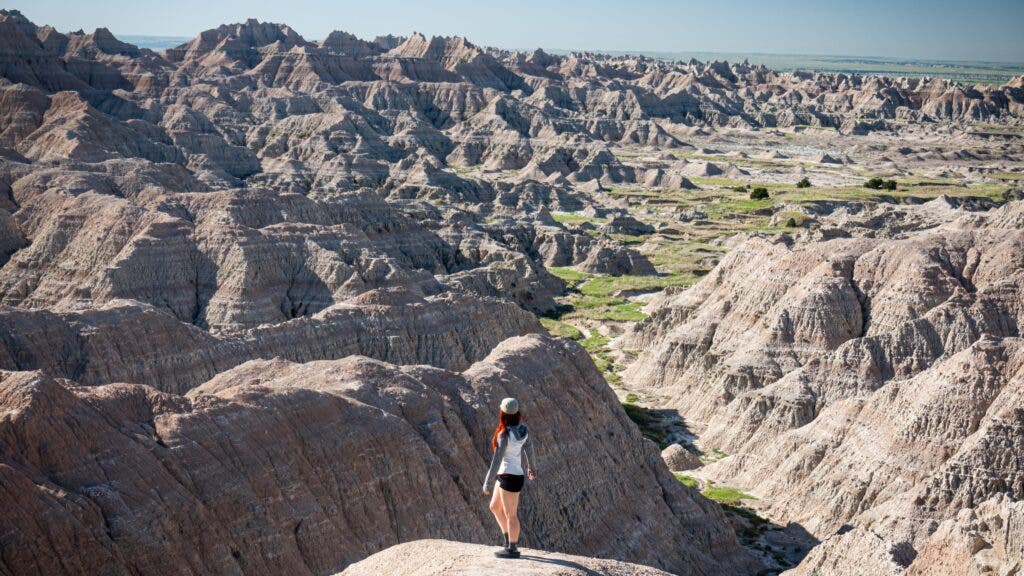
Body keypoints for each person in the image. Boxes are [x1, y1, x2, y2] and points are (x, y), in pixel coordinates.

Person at [482, 397, 537, 558]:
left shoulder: (504, 435)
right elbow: (530, 449)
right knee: (494, 506)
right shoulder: (523, 430)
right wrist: (531, 468)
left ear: (503, 413)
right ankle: (508, 542)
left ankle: (513, 548)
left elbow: (496, 460)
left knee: (511, 515)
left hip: (509, 477)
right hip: (509, 475)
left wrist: (487, 482)